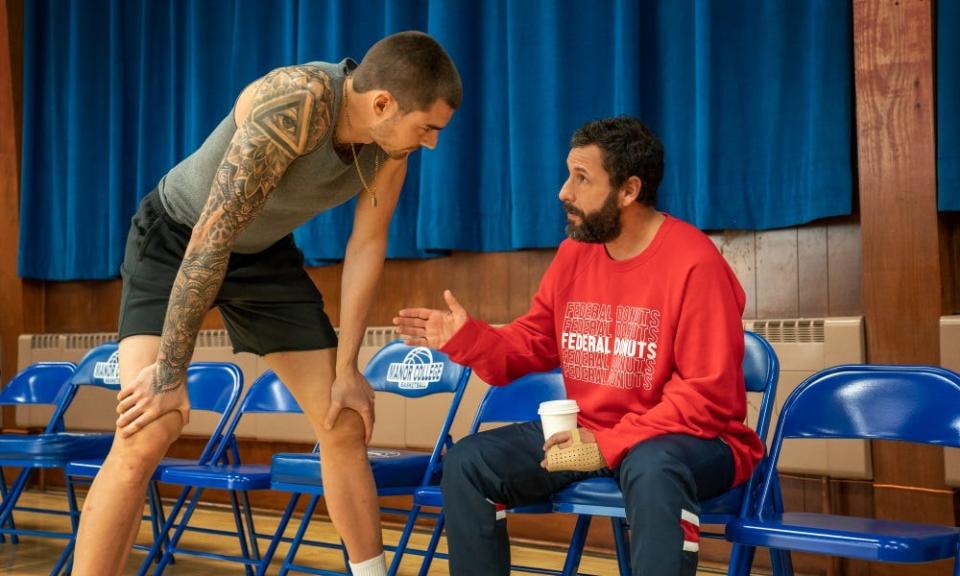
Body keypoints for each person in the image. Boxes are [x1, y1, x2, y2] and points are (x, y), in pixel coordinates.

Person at [73, 31, 461, 576]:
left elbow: (367, 245)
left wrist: (348, 368)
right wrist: (170, 372)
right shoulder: (296, 101)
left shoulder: (389, 145)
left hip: (262, 252)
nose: (431, 143)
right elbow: (212, 234)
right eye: (428, 128)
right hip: (177, 238)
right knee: (150, 427)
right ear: (382, 103)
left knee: (343, 416)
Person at [394, 116, 764, 576]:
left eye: (581, 178)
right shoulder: (576, 253)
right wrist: (467, 339)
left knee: (654, 467)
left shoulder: (695, 263)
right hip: (593, 433)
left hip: (697, 441)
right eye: (569, 174)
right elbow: (532, 342)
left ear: (628, 190)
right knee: (470, 462)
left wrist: (606, 445)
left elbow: (704, 398)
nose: (563, 192)